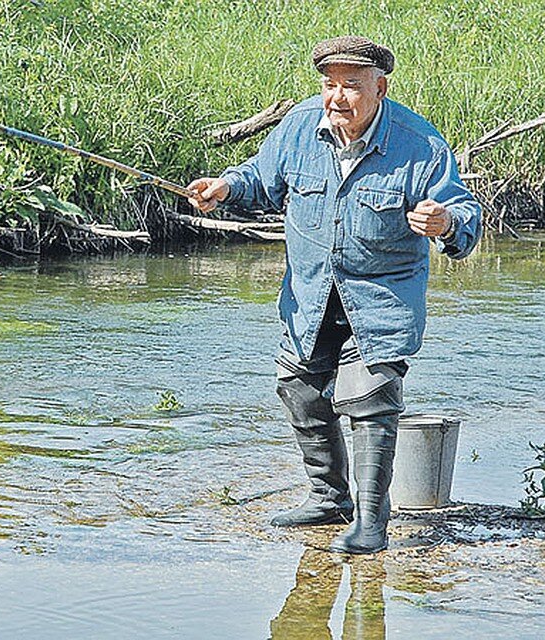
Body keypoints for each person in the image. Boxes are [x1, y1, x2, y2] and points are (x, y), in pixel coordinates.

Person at [187, 36, 481, 554]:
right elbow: (260, 178)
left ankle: (371, 521)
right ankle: (329, 497)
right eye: (330, 84)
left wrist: (445, 221)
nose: (337, 97)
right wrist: (227, 188)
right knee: (298, 389)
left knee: (370, 400)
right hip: (310, 294)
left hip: (381, 301)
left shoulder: (421, 145)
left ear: (379, 88)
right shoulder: (300, 126)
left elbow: (465, 216)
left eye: (351, 85)